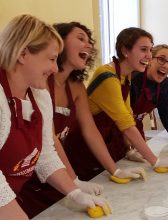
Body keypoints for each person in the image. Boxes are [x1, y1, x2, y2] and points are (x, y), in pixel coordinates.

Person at [19, 22, 143, 218]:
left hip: (57, 174)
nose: (89, 45)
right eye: (80, 38)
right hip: (31, 180)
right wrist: (74, 181)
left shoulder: (76, 87)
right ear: (59, 42)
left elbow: (90, 131)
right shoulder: (39, 83)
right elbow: (48, 141)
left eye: (89, 41)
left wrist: (115, 170)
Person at [0, 15, 109, 220]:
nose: (55, 69)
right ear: (23, 54)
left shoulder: (39, 95)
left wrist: (74, 192)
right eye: (51, 59)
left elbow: (45, 153)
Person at [64, 27, 168, 174]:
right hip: (83, 147)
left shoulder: (125, 76)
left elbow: (128, 115)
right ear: (125, 51)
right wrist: (155, 161)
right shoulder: (107, 76)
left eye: (150, 50)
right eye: (143, 49)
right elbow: (126, 124)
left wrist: (129, 149)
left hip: (104, 142)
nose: (148, 56)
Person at [130, 44, 168, 154]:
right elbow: (120, 118)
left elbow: (165, 111)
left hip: (136, 128)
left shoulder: (164, 83)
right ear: (150, 59)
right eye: (161, 59)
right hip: (116, 131)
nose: (166, 66)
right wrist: (127, 147)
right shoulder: (134, 79)